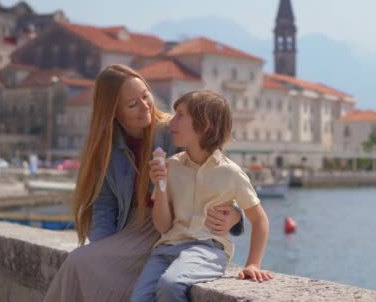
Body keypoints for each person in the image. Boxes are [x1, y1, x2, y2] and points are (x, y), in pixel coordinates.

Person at [44, 65, 243, 302]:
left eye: (146, 95)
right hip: (130, 233)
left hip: (173, 229)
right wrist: (107, 251)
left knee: (79, 263)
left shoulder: (175, 131)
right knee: (80, 261)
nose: (145, 106)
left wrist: (236, 215)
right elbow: (103, 205)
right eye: (132, 104)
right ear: (113, 112)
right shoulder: (105, 148)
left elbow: (218, 173)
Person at [131, 90, 273, 302]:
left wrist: (253, 264)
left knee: (171, 284)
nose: (172, 122)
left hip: (207, 249)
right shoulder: (171, 166)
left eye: (180, 115)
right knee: (138, 299)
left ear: (204, 125)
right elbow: (162, 226)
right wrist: (160, 185)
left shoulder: (231, 173)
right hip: (166, 249)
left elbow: (259, 219)